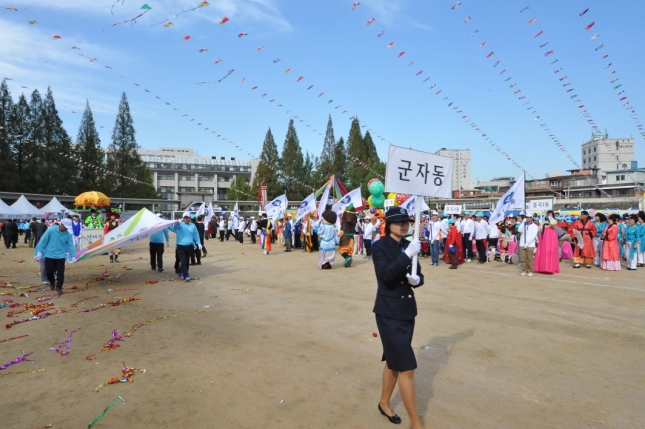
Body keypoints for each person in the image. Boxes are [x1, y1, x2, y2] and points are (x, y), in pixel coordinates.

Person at [371, 207, 424, 429]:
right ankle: (415, 422)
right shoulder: (379, 247)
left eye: (407, 222)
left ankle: (384, 403)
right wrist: (407, 255)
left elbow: (419, 274)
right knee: (407, 367)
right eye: (399, 222)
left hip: (406, 310)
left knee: (394, 362)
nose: (404, 225)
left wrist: (417, 280)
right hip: (388, 312)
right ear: (388, 224)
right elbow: (386, 275)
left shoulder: (407, 245)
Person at [34, 218, 75, 294]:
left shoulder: (68, 234)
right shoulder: (51, 230)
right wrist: (39, 251)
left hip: (61, 256)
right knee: (49, 272)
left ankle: (59, 287)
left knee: (60, 273)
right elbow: (43, 241)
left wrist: (73, 255)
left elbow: (70, 245)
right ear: (61, 224)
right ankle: (52, 282)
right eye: (65, 227)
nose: (66, 229)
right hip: (49, 255)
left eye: (67, 227)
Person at [168, 212, 201, 281]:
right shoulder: (180, 225)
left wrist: (198, 243)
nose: (186, 219)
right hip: (181, 246)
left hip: (189, 246)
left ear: (190, 218)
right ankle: (186, 275)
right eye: (185, 218)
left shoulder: (193, 226)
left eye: (188, 218)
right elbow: (175, 228)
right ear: (183, 218)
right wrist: (176, 223)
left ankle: (180, 271)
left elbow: (196, 235)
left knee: (186, 261)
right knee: (183, 261)